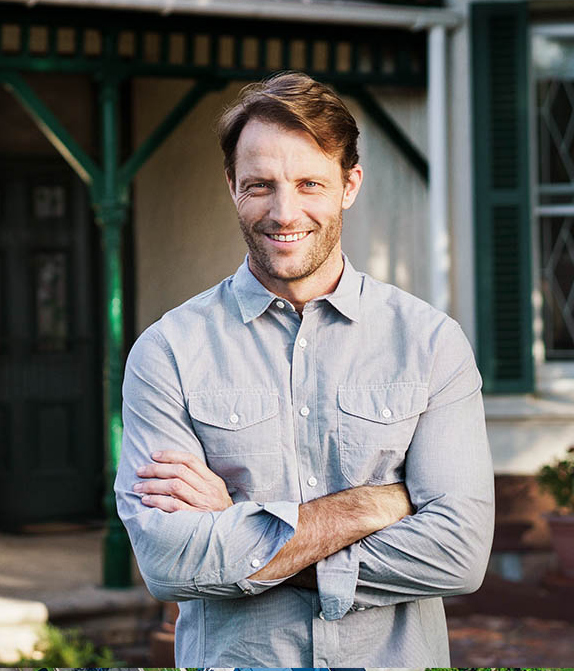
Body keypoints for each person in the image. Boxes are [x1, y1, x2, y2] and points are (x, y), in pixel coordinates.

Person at [114, 72, 494, 667]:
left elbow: (459, 554)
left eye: (310, 183)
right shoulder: (168, 352)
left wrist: (239, 535)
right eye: (260, 185)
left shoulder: (430, 344)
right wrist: (367, 507)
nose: (284, 211)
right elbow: (168, 563)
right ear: (232, 187)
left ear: (350, 185)